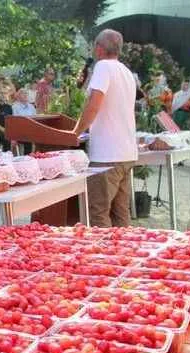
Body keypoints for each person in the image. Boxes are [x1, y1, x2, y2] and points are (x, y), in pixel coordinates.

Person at [70, 29, 137, 228]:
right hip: (126, 152)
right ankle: (125, 247)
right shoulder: (126, 71)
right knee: (121, 214)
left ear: (99, 49)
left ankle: (103, 249)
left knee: (98, 213)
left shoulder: (103, 67)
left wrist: (75, 132)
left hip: (107, 155)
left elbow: (94, 104)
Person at [0, 84, 14, 152]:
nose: (3, 95)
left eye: (5, 93)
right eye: (1, 93)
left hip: (6, 132)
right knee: (5, 137)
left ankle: (8, 156)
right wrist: (4, 130)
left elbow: (11, 121)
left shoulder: (9, 107)